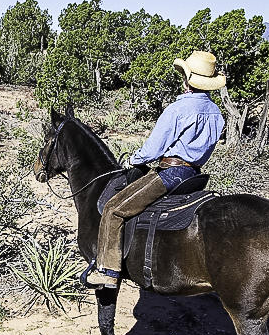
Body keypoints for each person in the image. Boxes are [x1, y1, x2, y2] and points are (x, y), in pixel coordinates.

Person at [85, 50, 226, 288]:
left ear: (187, 80)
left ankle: (108, 271)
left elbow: (153, 150)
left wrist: (133, 160)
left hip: (170, 173)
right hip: (194, 176)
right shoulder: (216, 113)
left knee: (113, 210)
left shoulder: (178, 109)